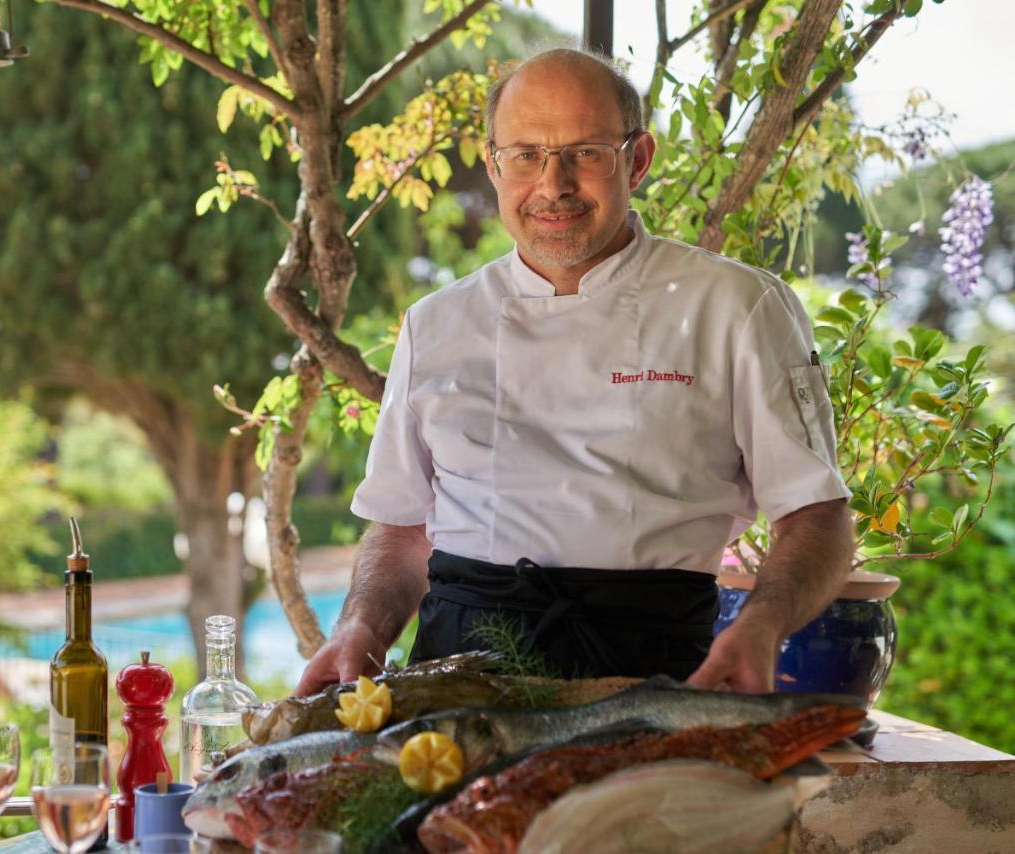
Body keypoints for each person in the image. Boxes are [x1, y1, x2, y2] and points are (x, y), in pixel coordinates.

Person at [296, 47, 853, 697]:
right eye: (527, 155)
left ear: (637, 160)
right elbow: (403, 528)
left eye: (585, 153)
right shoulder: (435, 323)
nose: (553, 185)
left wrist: (761, 624)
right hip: (456, 683)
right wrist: (362, 625)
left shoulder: (738, 306)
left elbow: (817, 517)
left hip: (660, 674)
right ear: (493, 164)